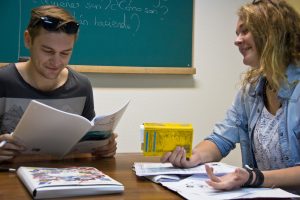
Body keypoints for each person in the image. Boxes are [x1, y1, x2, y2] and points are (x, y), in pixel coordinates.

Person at [161, 0, 300, 193]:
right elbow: (221, 138)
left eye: (245, 31)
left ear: (271, 33)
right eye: (237, 34)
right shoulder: (251, 90)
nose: (237, 40)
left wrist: (254, 177)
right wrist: (193, 158)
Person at [0, 5, 117, 162]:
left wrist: (103, 148)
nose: (56, 62)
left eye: (65, 53)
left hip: (65, 179)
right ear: (28, 40)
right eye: (48, 51)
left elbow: (87, 145)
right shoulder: (4, 81)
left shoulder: (81, 86)